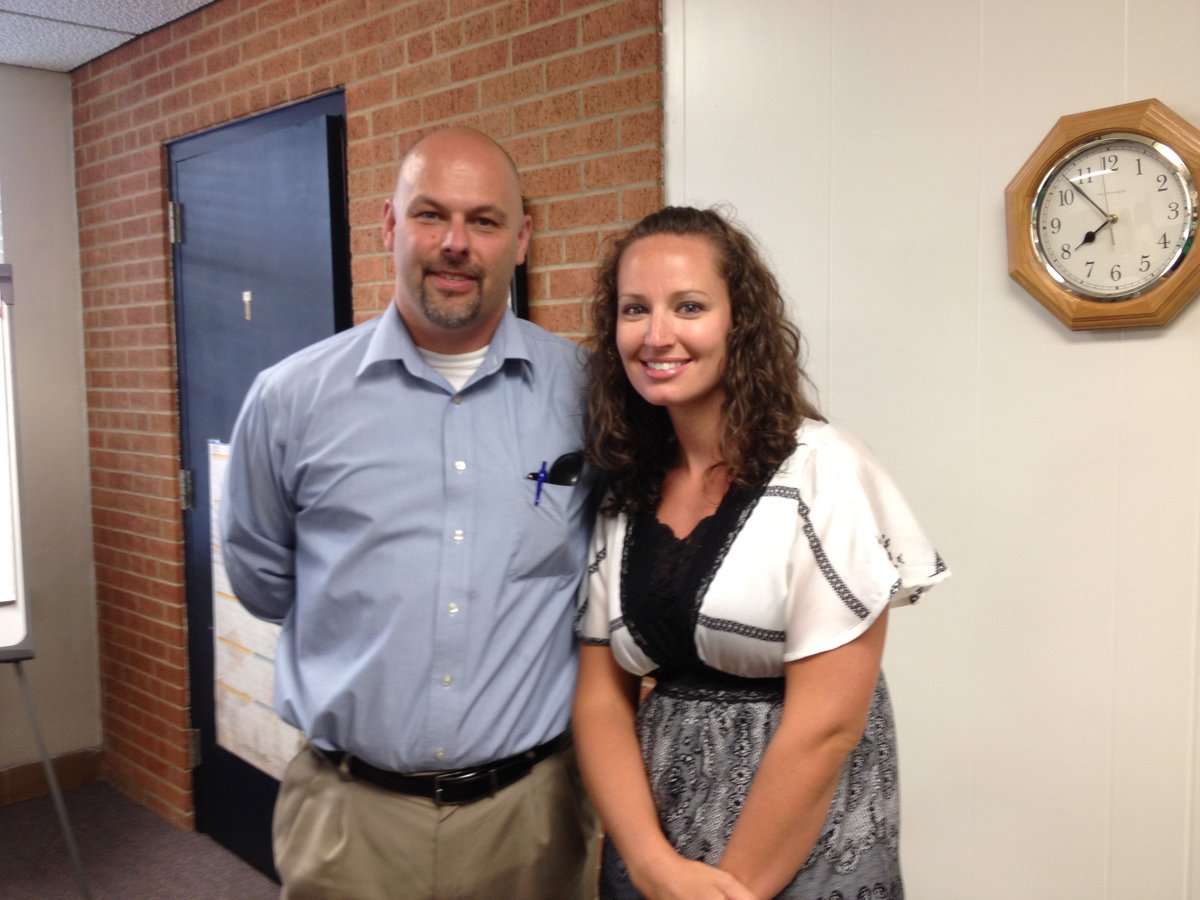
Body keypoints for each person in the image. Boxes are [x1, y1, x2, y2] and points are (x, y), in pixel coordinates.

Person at [220, 126, 600, 899]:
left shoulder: (588, 396)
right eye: (431, 215)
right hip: (350, 829)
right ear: (389, 226)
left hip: (534, 823)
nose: (456, 243)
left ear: (521, 238)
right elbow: (264, 582)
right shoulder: (291, 399)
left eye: (485, 221)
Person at [572, 206, 949, 900]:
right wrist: (653, 866)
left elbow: (828, 726)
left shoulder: (821, 471)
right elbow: (599, 701)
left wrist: (729, 889)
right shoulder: (625, 489)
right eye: (634, 309)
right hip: (658, 850)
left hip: (797, 853)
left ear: (738, 322)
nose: (658, 335)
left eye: (689, 306)